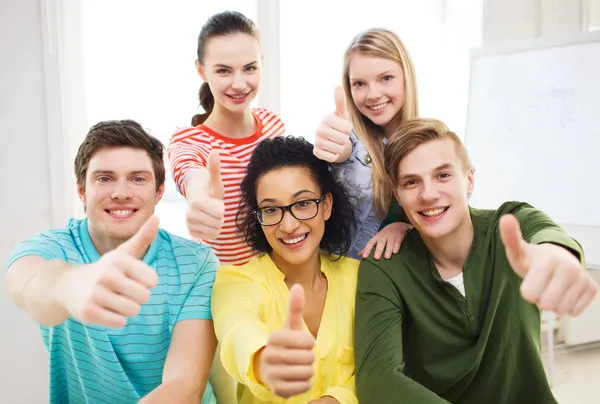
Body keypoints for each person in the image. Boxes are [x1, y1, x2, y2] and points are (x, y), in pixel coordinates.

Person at [354, 118, 598, 404]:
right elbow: (377, 379)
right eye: (411, 182)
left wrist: (556, 255)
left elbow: (546, 235)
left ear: (468, 179)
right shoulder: (383, 266)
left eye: (443, 175)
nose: (429, 194)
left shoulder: (509, 226)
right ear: (398, 195)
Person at [4, 120, 219, 404]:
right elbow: (28, 284)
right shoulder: (50, 248)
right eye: (105, 178)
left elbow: (184, 385)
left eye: (138, 179)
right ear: (82, 190)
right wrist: (70, 285)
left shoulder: (197, 263)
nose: (121, 192)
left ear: (158, 192)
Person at [211, 136, 359, 404]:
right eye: (271, 209)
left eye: (302, 204)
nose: (288, 225)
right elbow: (237, 329)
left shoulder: (360, 278)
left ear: (325, 206)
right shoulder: (236, 281)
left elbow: (377, 367)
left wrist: (338, 399)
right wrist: (265, 361)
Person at [168, 10, 285, 266]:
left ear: (262, 64)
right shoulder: (189, 142)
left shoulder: (273, 126)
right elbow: (191, 174)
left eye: (250, 68)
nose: (239, 83)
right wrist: (200, 200)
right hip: (220, 286)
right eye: (223, 71)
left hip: (276, 280)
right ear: (201, 71)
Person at [313, 28, 418, 260]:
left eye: (386, 78)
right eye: (359, 84)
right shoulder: (350, 140)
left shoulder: (430, 142)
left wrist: (407, 228)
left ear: (406, 76)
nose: (373, 94)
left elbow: (450, 209)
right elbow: (344, 154)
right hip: (345, 280)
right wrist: (332, 148)